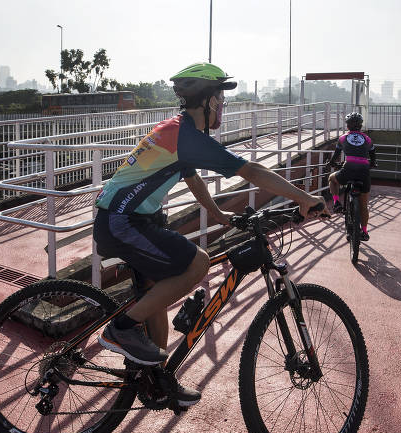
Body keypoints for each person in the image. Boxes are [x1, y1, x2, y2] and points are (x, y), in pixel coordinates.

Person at [93, 62, 327, 407]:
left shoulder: (180, 132)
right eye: (220, 98)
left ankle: (159, 382)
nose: (222, 106)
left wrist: (218, 215)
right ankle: (122, 329)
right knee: (197, 264)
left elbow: (192, 179)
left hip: (135, 219)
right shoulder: (186, 137)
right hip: (123, 222)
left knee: (156, 295)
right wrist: (304, 197)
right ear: (207, 101)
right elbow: (251, 170)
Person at [327, 112, 376, 241]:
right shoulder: (368, 139)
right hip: (364, 171)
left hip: (348, 168)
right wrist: (372, 164)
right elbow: (373, 158)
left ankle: (337, 202)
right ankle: (364, 232)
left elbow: (336, 155)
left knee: (332, 178)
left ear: (347, 125)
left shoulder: (343, 138)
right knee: (363, 205)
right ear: (361, 125)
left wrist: (332, 163)